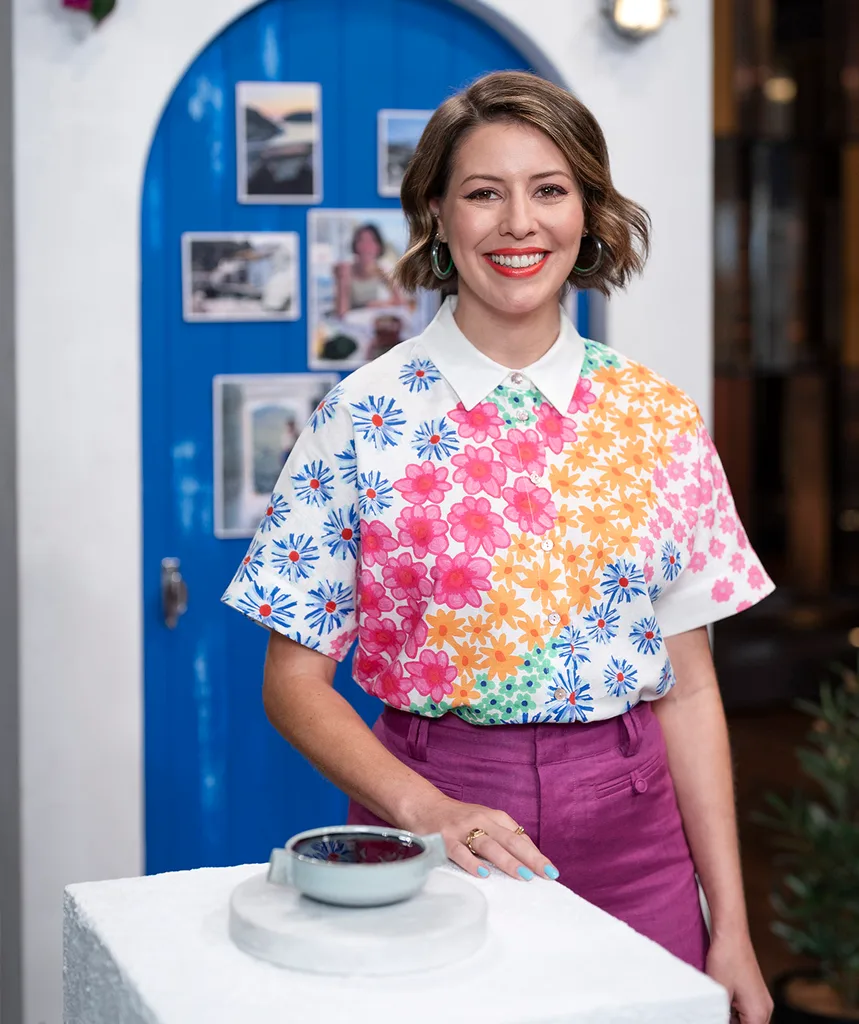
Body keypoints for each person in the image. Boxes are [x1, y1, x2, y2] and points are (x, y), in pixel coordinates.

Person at [223, 71, 774, 1024]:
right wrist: (425, 809)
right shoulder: (361, 418)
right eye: (483, 192)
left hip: (637, 831)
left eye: (549, 189)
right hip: (433, 826)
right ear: (436, 215)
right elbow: (293, 682)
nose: (518, 223)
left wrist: (729, 927)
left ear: (588, 213)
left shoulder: (658, 419)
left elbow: (688, 688)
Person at [334, 223, 407, 317]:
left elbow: (401, 302)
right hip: (350, 324)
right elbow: (341, 313)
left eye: (371, 241)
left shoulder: (383, 270)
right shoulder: (345, 270)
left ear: (378, 247)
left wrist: (376, 305)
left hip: (371, 323)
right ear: (355, 245)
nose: (366, 247)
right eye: (361, 241)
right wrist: (342, 280)